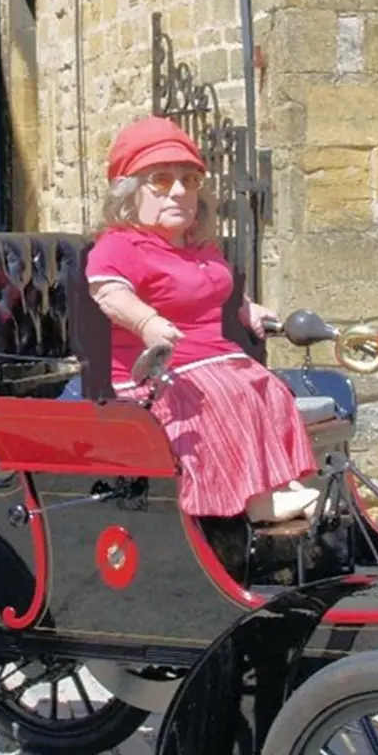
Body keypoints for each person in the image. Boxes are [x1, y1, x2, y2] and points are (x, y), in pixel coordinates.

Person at [85, 116, 320, 523]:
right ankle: (248, 501)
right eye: (160, 179)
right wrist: (146, 323)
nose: (178, 191)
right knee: (225, 394)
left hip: (214, 358)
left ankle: (275, 483)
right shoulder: (122, 246)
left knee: (265, 385)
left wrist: (249, 309)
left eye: (189, 180)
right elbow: (108, 291)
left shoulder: (198, 246)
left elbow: (217, 288)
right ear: (129, 192)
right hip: (156, 373)